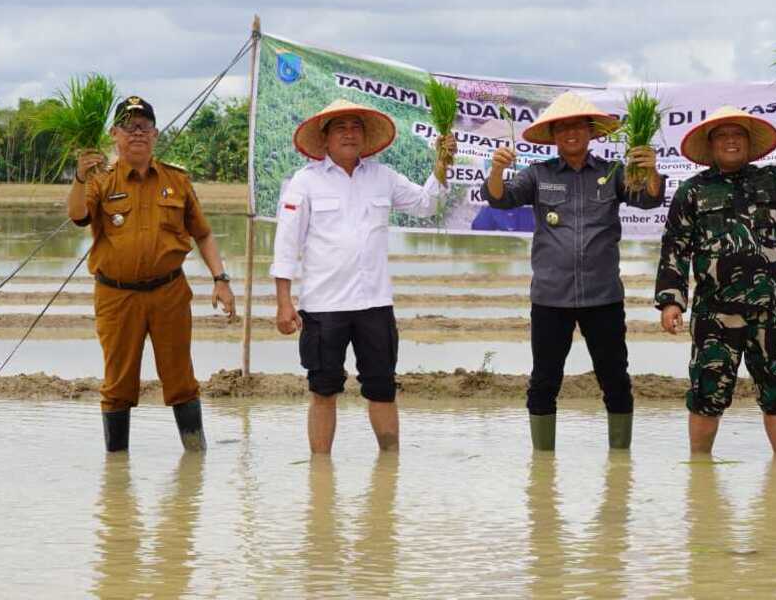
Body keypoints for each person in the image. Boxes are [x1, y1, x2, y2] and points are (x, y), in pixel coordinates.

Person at [656, 96, 776, 456]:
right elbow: (675, 247)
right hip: (715, 313)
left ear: (749, 143)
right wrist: (671, 301)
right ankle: (700, 471)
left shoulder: (773, 180)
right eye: (721, 135)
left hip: (768, 312)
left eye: (737, 134)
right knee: (708, 393)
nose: (730, 140)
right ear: (710, 145)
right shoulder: (692, 191)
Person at [483, 91, 664, 451]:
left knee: (615, 379)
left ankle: (620, 463)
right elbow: (500, 198)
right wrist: (498, 169)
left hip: (603, 297)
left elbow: (649, 199)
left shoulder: (613, 174)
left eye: (577, 127)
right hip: (551, 298)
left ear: (591, 132)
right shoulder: (538, 175)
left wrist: (651, 169)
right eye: (562, 128)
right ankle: (543, 466)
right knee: (544, 382)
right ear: (552, 136)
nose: (570, 133)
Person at [272, 99, 454, 454]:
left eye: (356, 127)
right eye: (340, 127)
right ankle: (320, 475)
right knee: (323, 390)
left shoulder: (383, 177)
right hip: (324, 306)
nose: (349, 133)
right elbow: (286, 244)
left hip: (374, 304)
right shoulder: (305, 182)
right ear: (324, 139)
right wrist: (283, 302)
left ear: (365, 136)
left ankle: (389, 468)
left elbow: (427, 204)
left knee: (382, 389)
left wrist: (442, 166)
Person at [66, 95, 235, 452]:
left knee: (181, 379)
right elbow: (78, 215)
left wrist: (221, 279)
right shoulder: (100, 181)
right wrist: (80, 176)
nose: (137, 133)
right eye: (129, 126)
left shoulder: (177, 180)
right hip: (116, 296)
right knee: (117, 384)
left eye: (144, 126)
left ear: (156, 133)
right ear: (115, 134)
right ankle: (117, 467)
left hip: (169, 294)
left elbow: (202, 233)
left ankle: (194, 455)